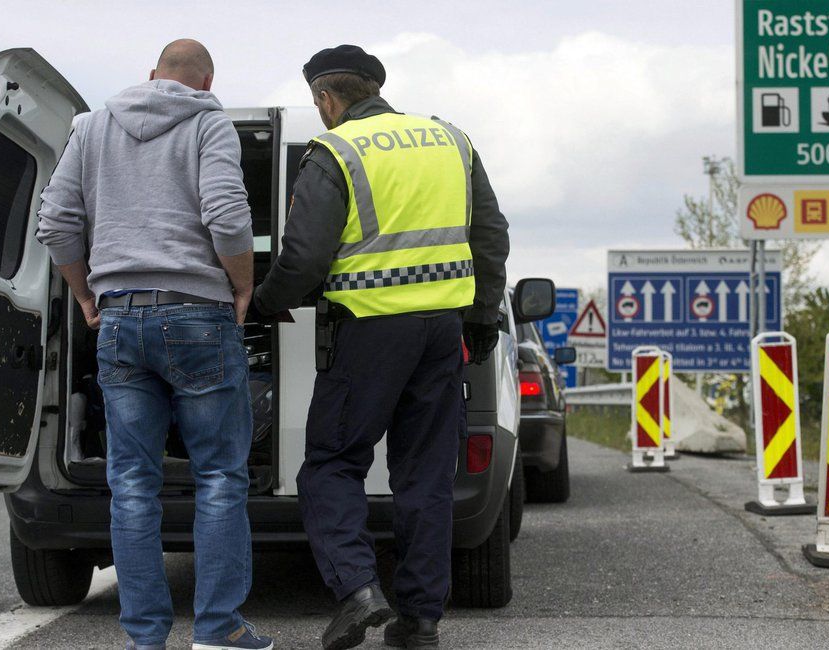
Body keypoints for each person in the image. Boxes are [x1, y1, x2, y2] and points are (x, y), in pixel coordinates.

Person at [253, 44, 510, 650]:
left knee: (332, 464)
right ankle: (420, 621)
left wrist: (264, 301)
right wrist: (482, 315)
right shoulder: (451, 140)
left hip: (370, 331)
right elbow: (490, 233)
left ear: (327, 98)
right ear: (376, 87)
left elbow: (306, 255)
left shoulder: (336, 150)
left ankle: (358, 589)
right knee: (425, 475)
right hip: (442, 332)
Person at [36, 39, 272, 650]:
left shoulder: (89, 128)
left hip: (119, 319)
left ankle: (146, 640)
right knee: (220, 476)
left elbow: (57, 222)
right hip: (199, 316)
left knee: (132, 484)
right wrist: (242, 287)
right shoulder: (207, 122)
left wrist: (87, 296)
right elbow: (226, 214)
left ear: (151, 76)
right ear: (206, 82)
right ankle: (218, 630)